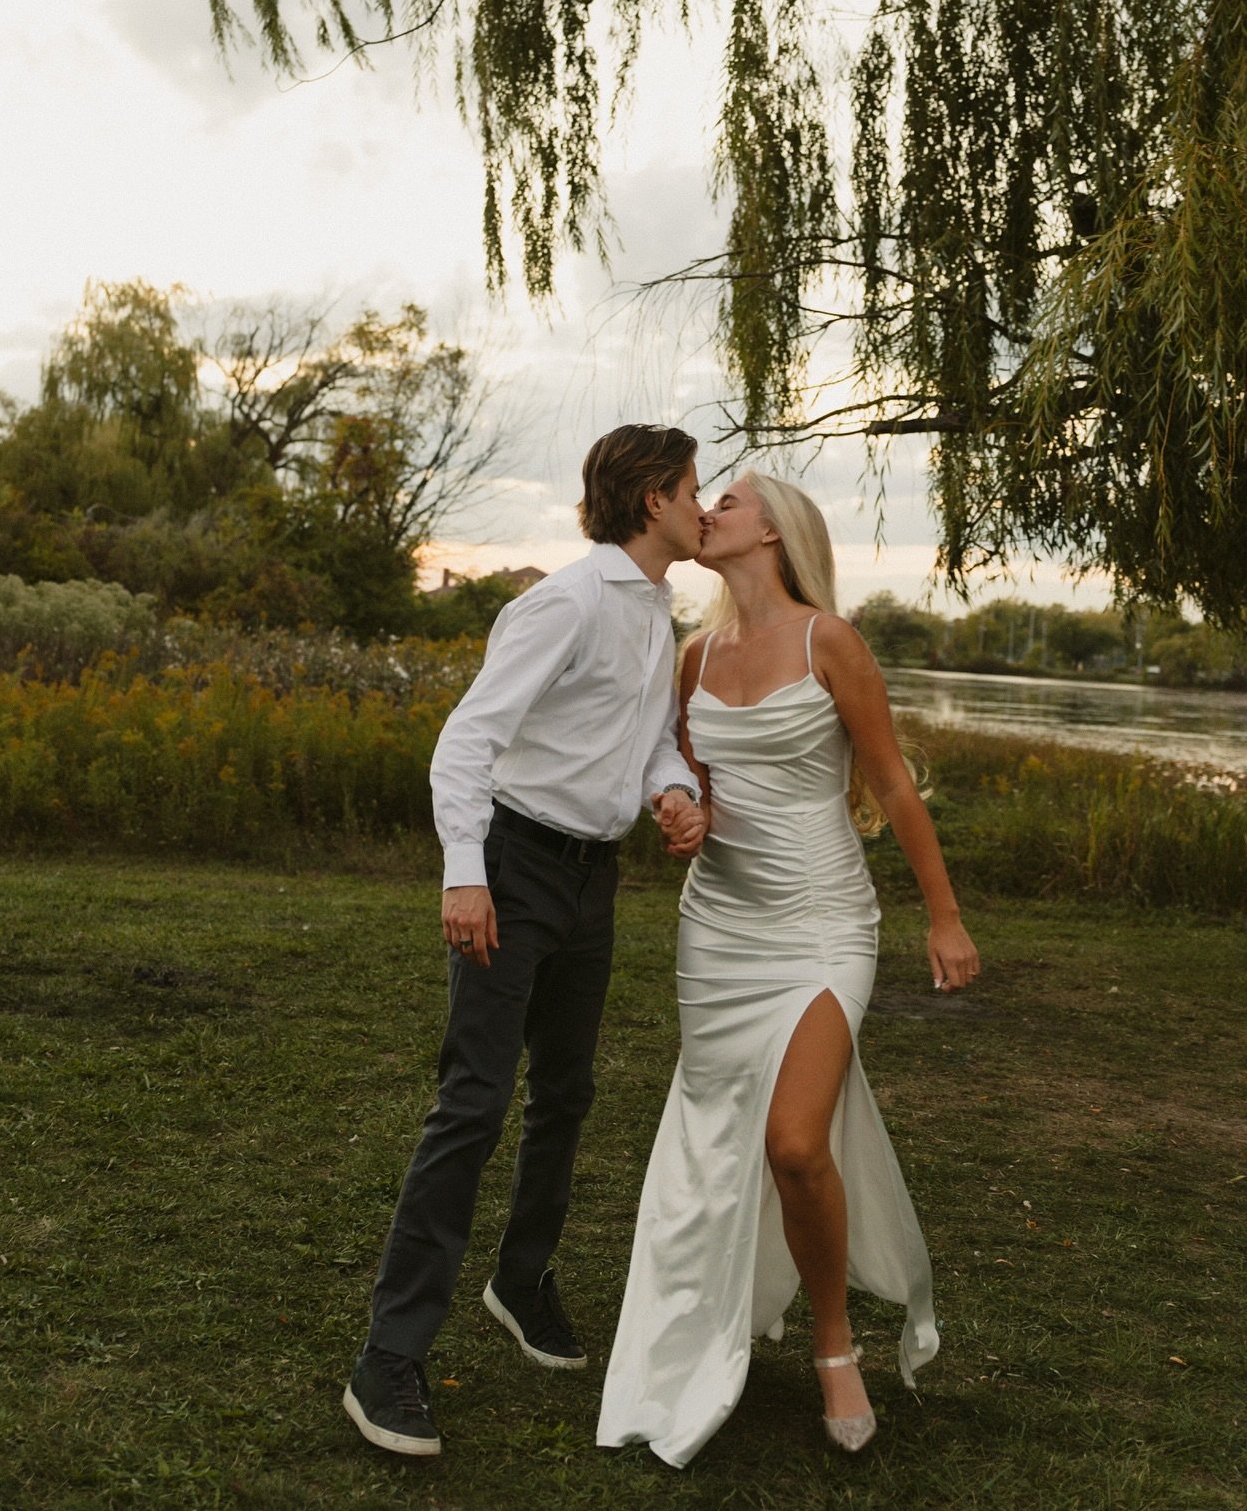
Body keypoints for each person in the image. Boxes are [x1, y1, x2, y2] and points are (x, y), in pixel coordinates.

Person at [597, 472, 980, 1468]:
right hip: (719, 931)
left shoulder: (830, 643)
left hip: (822, 926)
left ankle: (831, 1343)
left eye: (725, 500)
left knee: (796, 1142)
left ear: (771, 530)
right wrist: (682, 813)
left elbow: (890, 780)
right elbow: (686, 781)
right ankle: (701, 1324)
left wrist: (943, 917)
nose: (706, 511)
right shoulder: (692, 656)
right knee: (724, 1142)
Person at [344, 423, 710, 1458]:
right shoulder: (566, 602)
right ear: (650, 498)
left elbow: (638, 746)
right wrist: (466, 872)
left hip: (594, 883)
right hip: (515, 871)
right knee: (473, 1102)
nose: (701, 503)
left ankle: (521, 1278)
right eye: (692, 487)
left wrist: (674, 794)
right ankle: (389, 1357)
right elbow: (467, 740)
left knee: (568, 1092)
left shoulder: (654, 608)